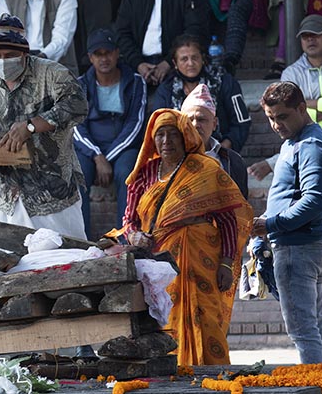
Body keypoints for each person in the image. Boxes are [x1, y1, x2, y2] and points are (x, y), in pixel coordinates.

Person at [107, 108, 251, 365]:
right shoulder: (144, 174)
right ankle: (174, 376)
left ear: (185, 136)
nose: (166, 141)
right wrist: (135, 236)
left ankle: (213, 377)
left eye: (173, 134)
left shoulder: (205, 169)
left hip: (201, 259)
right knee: (164, 320)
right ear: (152, 139)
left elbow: (228, 220)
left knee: (206, 321)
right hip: (159, 264)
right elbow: (129, 220)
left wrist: (227, 263)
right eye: (160, 134)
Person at [0, 14, 89, 238]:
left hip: (53, 193)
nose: (3, 61)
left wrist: (31, 126)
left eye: (10, 55)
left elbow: (78, 106)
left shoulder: (53, 75)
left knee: (62, 255)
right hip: (7, 195)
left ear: (24, 53)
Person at [251, 81, 322, 364]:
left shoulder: (311, 146)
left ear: (302, 108)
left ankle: (321, 387)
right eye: (271, 118)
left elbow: (313, 201)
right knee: (315, 324)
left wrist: (271, 224)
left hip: (297, 248)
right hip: (301, 244)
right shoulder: (296, 141)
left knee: (303, 329)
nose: (277, 125)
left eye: (283, 117)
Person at [249, 15, 322, 176]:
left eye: (316, 34)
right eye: (305, 36)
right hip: (304, 139)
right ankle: (302, 161)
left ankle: (276, 162)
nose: (310, 39)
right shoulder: (291, 73)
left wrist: (306, 104)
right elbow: (289, 114)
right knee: (311, 149)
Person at [73, 28, 147, 235]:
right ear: (90, 58)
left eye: (108, 53)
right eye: (98, 54)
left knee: (128, 174)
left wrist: (108, 158)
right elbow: (76, 126)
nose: (104, 59)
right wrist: (97, 157)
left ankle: (125, 237)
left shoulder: (135, 82)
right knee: (78, 174)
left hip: (124, 147)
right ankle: (81, 240)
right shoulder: (80, 85)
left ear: (117, 53)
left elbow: (136, 124)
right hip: (90, 148)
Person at [150, 34, 250, 151]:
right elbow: (159, 126)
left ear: (203, 58)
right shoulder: (167, 89)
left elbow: (241, 122)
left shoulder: (224, 81)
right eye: (184, 59)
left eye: (195, 58)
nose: (190, 63)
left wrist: (223, 149)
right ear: (175, 63)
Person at [181, 83, 249, 198]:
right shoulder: (172, 159)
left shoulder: (233, 161)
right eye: (190, 120)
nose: (195, 125)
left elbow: (242, 204)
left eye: (201, 119)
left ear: (214, 124)